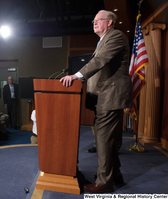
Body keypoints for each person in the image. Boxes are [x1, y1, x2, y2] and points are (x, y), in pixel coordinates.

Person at [60, 10, 132, 193]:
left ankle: (104, 182)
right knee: (109, 139)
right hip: (104, 96)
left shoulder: (115, 36)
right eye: (93, 20)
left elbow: (100, 61)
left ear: (109, 22)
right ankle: (113, 174)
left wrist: (76, 76)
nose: (94, 22)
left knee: (103, 139)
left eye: (98, 20)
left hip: (111, 95)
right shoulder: (103, 39)